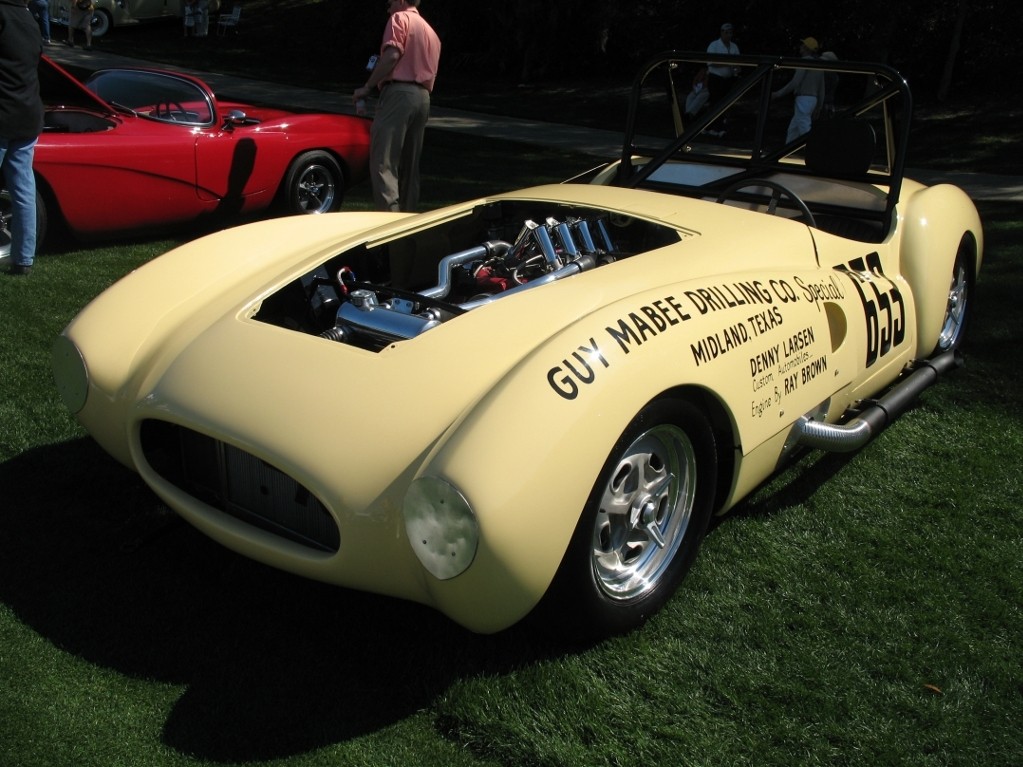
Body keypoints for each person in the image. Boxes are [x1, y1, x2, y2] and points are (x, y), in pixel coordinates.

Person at [352, 0, 441, 214]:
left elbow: (392, 55)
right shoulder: (431, 32)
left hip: (398, 94)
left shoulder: (399, 19)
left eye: (390, 2)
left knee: (384, 162)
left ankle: (388, 224)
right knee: (410, 166)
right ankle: (409, 222)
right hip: (423, 97)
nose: (388, 7)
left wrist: (368, 87)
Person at [0, 0, 45, 276]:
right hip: (28, 114)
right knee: (24, 190)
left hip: (3, 114)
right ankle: (23, 259)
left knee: (23, 189)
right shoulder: (30, 20)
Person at [772, 37, 826, 143]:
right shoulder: (819, 64)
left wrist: (778, 94)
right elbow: (821, 88)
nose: (800, 47)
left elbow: (795, 82)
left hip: (803, 98)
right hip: (813, 99)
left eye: (802, 45)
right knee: (794, 129)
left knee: (804, 128)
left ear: (806, 48)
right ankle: (786, 151)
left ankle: (815, 151)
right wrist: (819, 106)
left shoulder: (804, 62)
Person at [706, 23, 740, 109]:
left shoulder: (734, 46)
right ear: (721, 33)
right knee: (716, 102)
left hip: (729, 80)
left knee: (728, 102)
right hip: (716, 79)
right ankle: (714, 121)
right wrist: (729, 63)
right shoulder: (713, 45)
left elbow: (739, 62)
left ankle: (725, 120)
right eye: (726, 32)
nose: (729, 35)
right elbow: (711, 63)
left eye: (730, 33)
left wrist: (737, 68)